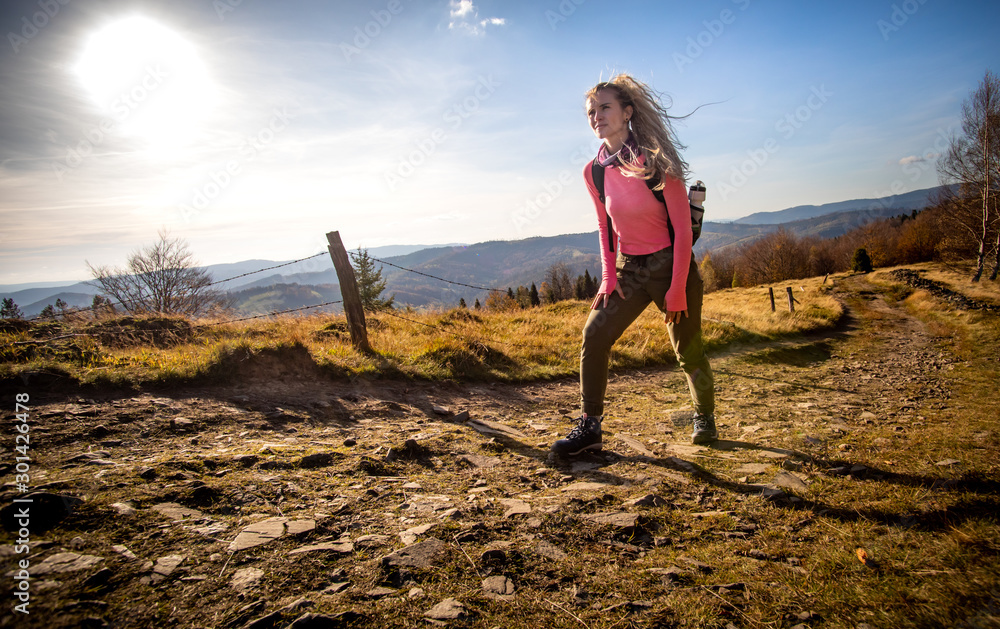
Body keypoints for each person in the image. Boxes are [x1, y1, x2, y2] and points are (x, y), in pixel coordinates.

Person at [552, 74, 717, 456]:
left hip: (670, 265)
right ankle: (590, 425)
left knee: (686, 350)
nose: (597, 116)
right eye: (591, 111)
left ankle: (704, 414)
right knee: (595, 335)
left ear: (627, 112)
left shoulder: (656, 160)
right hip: (628, 271)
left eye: (605, 107)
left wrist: (676, 288)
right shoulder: (594, 171)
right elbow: (604, 226)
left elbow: (680, 231)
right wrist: (608, 277)